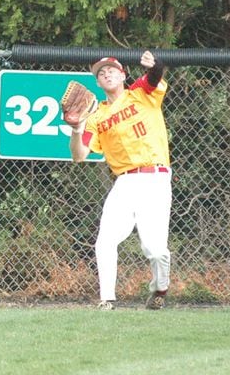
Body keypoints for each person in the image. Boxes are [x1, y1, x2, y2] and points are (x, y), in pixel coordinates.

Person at [69, 51, 172, 310]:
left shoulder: (139, 93)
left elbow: (154, 77)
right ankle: (107, 299)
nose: (106, 73)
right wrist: (76, 128)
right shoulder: (95, 118)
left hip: (155, 179)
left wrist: (156, 64)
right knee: (105, 240)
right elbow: (79, 155)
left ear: (123, 75)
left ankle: (160, 288)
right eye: (101, 72)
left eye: (111, 70)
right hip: (125, 183)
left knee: (155, 249)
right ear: (98, 83)